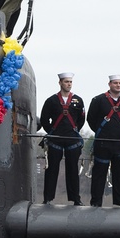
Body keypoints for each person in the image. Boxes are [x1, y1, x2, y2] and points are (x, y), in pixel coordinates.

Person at [87, 76, 120, 208]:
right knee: (99, 174)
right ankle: (96, 202)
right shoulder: (98, 100)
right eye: (115, 83)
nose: (118, 85)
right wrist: (103, 133)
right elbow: (91, 119)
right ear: (109, 84)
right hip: (103, 143)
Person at [39, 73, 86, 205]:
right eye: (66, 82)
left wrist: (74, 131)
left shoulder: (78, 100)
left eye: (70, 82)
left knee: (72, 170)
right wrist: (52, 132)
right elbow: (44, 119)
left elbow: (81, 119)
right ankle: (48, 198)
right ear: (60, 83)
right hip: (55, 140)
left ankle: (75, 198)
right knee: (51, 170)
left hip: (72, 140)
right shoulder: (51, 101)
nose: (69, 84)